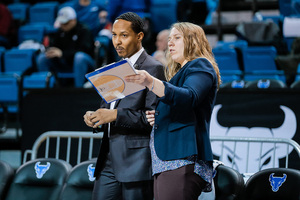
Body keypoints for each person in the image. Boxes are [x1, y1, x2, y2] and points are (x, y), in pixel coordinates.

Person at [125, 22, 221, 199]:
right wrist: (160, 116)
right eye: (169, 39)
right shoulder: (180, 73)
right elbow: (182, 105)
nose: (170, 43)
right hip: (167, 162)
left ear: (194, 41)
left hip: (181, 159)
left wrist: (151, 82)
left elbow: (189, 97)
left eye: (177, 38)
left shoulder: (200, 65)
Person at [83, 12, 165, 200]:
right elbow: (109, 110)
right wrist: (96, 117)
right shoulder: (114, 68)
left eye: (124, 35)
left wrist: (114, 116)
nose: (117, 41)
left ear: (139, 36)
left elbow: (152, 117)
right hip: (108, 160)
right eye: (114, 35)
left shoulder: (153, 68)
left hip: (136, 162)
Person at [36, 6, 95, 87]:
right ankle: (46, 88)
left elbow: (84, 50)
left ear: (73, 20)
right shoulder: (60, 32)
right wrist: (51, 51)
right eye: (61, 23)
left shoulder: (84, 30)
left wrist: (62, 54)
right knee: (43, 57)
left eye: (66, 23)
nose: (63, 25)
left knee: (79, 57)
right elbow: (55, 48)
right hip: (64, 62)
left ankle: (79, 90)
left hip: (85, 64)